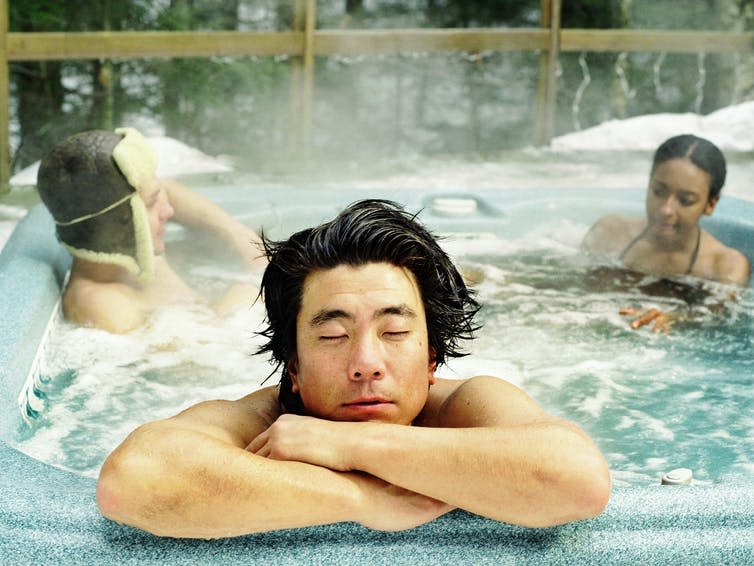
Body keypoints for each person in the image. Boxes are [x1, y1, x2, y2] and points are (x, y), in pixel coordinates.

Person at [96, 199, 611, 538]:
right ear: (292, 366)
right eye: (333, 336)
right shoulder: (264, 422)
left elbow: (578, 479)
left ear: (432, 356)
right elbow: (134, 480)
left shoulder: (462, 406)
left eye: (394, 333)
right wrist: (359, 498)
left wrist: (351, 445)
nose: (366, 364)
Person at [36, 127, 266, 334]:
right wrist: (244, 303)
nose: (167, 210)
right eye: (152, 202)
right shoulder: (105, 306)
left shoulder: (131, 253)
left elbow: (163, 188)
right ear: (119, 223)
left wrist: (238, 235)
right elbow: (197, 366)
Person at [581, 134, 751, 332]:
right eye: (658, 192)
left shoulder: (724, 266)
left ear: (711, 204)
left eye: (686, 200)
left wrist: (674, 318)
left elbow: (715, 315)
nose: (666, 209)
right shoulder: (609, 232)